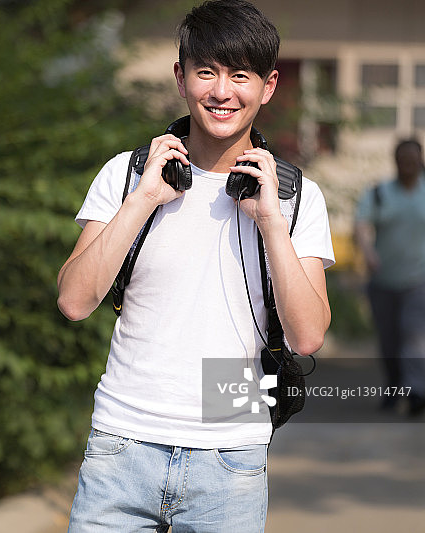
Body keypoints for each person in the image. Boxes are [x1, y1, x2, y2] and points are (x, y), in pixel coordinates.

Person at [56, 1, 335, 531]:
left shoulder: (297, 197)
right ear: (181, 78)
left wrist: (271, 223)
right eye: (206, 72)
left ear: (269, 86)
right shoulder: (128, 175)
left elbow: (307, 336)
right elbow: (73, 301)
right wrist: (143, 199)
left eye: (240, 75)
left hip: (231, 456)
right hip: (122, 444)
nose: (222, 91)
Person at [354, 139, 425, 417]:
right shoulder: (379, 193)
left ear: (419, 160)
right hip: (383, 281)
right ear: (395, 161)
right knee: (389, 341)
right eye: (402, 158)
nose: (407, 163)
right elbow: (361, 224)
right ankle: (395, 387)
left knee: (413, 335)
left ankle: (416, 391)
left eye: (412, 158)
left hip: (418, 280)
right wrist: (368, 252)